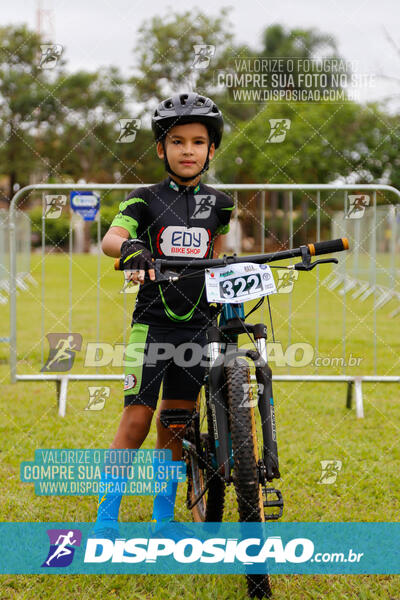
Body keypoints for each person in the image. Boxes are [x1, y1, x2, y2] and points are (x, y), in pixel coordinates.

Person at [93, 92, 234, 537]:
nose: (187, 150)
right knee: (136, 420)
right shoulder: (143, 199)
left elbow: (220, 256)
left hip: (198, 328)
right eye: (177, 141)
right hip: (151, 327)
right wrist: (132, 248)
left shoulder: (222, 204)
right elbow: (111, 238)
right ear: (161, 148)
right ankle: (106, 516)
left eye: (197, 141)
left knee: (175, 423)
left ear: (211, 149)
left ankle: (162, 516)